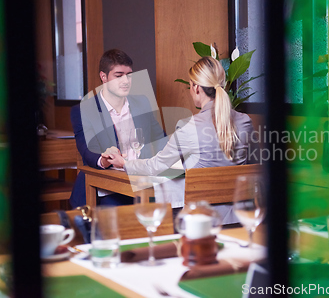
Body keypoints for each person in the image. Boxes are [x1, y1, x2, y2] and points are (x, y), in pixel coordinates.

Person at [109, 56, 256, 220]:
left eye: (190, 85)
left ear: (197, 88)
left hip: (200, 220)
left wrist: (125, 163)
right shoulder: (245, 121)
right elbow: (248, 164)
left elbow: (156, 166)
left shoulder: (189, 126)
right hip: (241, 217)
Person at [70, 49, 166, 207]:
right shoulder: (83, 110)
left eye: (129, 75)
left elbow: (161, 139)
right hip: (105, 187)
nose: (126, 81)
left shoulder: (142, 103)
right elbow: (87, 151)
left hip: (141, 182)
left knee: (173, 206)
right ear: (104, 77)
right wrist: (104, 160)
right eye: (119, 75)